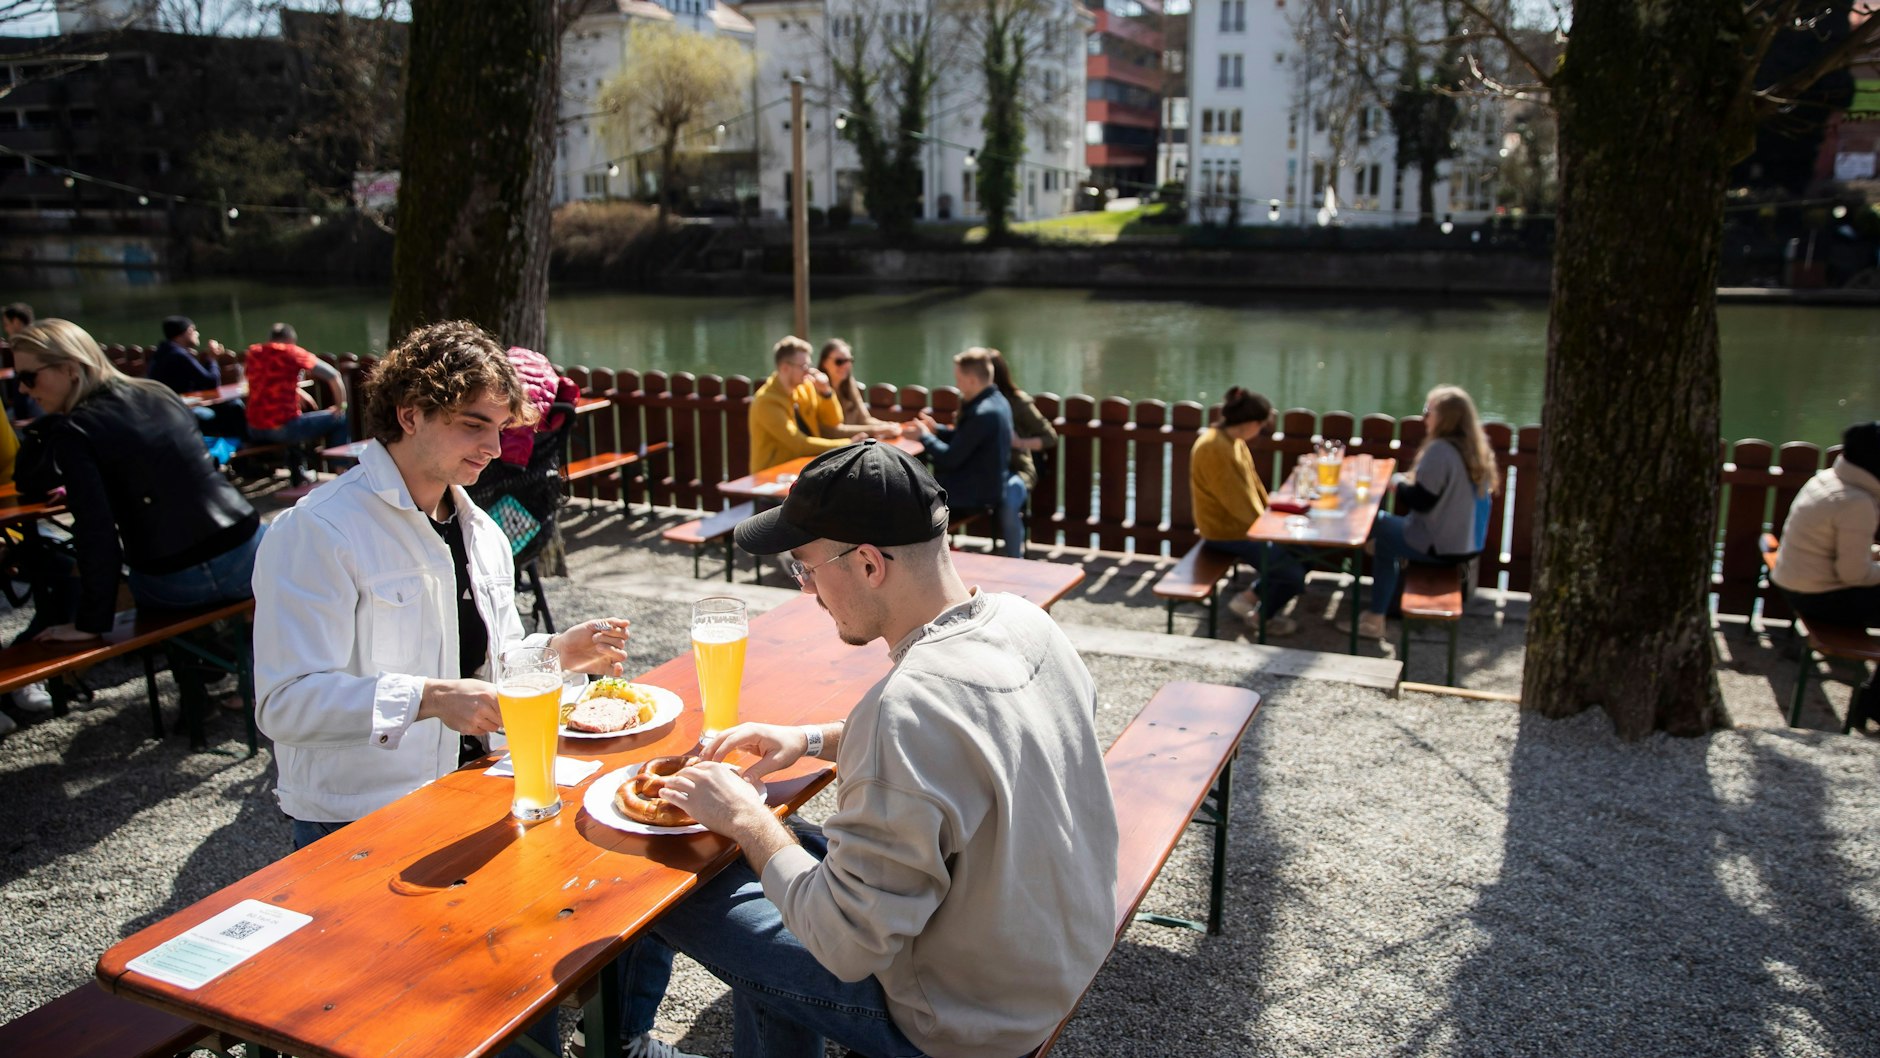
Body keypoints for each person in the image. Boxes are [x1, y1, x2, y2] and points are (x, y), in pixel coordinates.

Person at [251, 320, 692, 1058]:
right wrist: (429, 697)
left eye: (502, 427)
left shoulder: (479, 524)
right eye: (473, 425)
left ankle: (622, 1037)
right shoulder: (318, 530)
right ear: (410, 413)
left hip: (483, 793)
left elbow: (493, 663)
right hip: (361, 828)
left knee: (643, 877)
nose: (494, 447)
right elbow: (284, 704)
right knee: (486, 1010)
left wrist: (559, 650)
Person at [646, 439, 1119, 1058]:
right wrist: (811, 739)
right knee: (780, 855)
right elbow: (961, 748)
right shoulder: (1022, 620)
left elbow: (844, 947)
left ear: (869, 564)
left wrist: (746, 819)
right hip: (1054, 950)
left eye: (807, 568)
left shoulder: (907, 707)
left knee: (670, 883)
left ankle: (623, 1040)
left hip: (969, 1019)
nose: (808, 591)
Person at [10, 319, 265, 718]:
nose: (22, 389)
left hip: (177, 577)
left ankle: (200, 687)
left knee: (144, 584)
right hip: (248, 548)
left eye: (28, 377)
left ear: (70, 369)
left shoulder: (75, 429)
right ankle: (239, 673)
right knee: (219, 593)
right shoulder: (157, 392)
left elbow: (96, 532)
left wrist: (90, 622)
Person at [1361, 384, 1498, 639]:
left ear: (1445, 418)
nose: (1424, 417)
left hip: (1439, 546)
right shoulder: (1475, 449)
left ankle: (1375, 617)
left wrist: (1398, 483)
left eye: (1428, 411)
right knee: (1382, 541)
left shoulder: (1440, 450)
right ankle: (1379, 611)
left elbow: (1421, 500)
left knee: (1375, 524)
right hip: (1466, 544)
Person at [1772, 420, 1880, 727]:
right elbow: (1854, 575)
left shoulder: (1831, 478)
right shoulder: (1856, 502)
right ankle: (1874, 705)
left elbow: (1834, 552)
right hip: (1819, 597)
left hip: (1794, 582)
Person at [1188, 387, 1307, 635]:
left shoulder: (1231, 441)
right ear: (1252, 422)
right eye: (1261, 425)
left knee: (1304, 549)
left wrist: (1272, 514)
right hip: (1225, 531)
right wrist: (1270, 528)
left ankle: (1250, 597)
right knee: (1292, 575)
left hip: (1245, 526)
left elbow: (1252, 487)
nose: (1260, 431)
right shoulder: (1214, 447)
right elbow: (1235, 502)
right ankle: (1262, 618)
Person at [912, 347, 1019, 556]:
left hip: (974, 494)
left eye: (959, 378)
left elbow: (950, 458)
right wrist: (937, 430)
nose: (957, 384)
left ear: (971, 380)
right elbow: (967, 439)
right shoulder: (998, 402)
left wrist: (924, 436)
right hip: (988, 486)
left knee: (911, 500)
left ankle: (923, 560)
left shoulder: (982, 413)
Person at [243, 322, 350, 482]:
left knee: (296, 416)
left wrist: (297, 391)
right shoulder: (292, 352)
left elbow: (266, 381)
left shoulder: (254, 353)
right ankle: (342, 473)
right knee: (339, 419)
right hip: (283, 429)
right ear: (291, 340)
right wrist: (340, 406)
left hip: (254, 428)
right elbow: (334, 376)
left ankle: (298, 472)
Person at [748, 335, 851, 472]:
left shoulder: (805, 387)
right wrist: (848, 444)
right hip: (770, 477)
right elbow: (798, 444)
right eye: (803, 366)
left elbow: (834, 421)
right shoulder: (766, 402)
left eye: (809, 365)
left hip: (802, 469)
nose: (808, 370)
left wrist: (826, 392)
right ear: (785, 368)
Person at [988, 348, 1056, 553]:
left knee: (1009, 502)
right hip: (983, 470)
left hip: (1015, 469)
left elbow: (1050, 437)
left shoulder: (1017, 403)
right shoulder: (970, 402)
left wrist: (1019, 443)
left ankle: (1015, 561)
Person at [149, 316, 246, 439]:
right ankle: (240, 447)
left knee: (229, 406)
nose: (197, 333)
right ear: (186, 331)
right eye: (193, 330)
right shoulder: (179, 354)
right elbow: (211, 382)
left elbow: (200, 380)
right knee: (234, 406)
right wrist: (212, 359)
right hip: (181, 408)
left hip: (169, 406)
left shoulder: (161, 353)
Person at [812, 338, 899, 440]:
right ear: (824, 363)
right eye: (839, 362)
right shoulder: (816, 389)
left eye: (849, 361)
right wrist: (878, 429)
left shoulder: (850, 383)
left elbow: (865, 419)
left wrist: (888, 425)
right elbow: (831, 432)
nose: (845, 366)